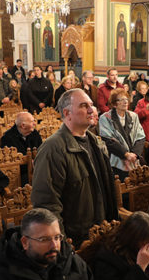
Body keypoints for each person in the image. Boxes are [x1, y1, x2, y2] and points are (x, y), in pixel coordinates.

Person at [31, 89, 118, 244]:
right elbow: (47, 205)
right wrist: (63, 245)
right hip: (77, 239)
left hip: (102, 232)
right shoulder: (53, 149)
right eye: (84, 106)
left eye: (91, 105)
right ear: (67, 113)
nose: (91, 110)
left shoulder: (97, 142)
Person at [99, 89, 146, 180]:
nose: (125, 102)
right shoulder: (105, 118)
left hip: (134, 158)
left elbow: (140, 136)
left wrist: (135, 154)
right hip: (116, 158)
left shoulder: (133, 116)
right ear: (114, 104)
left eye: (126, 99)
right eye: (121, 100)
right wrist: (126, 154)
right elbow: (108, 140)